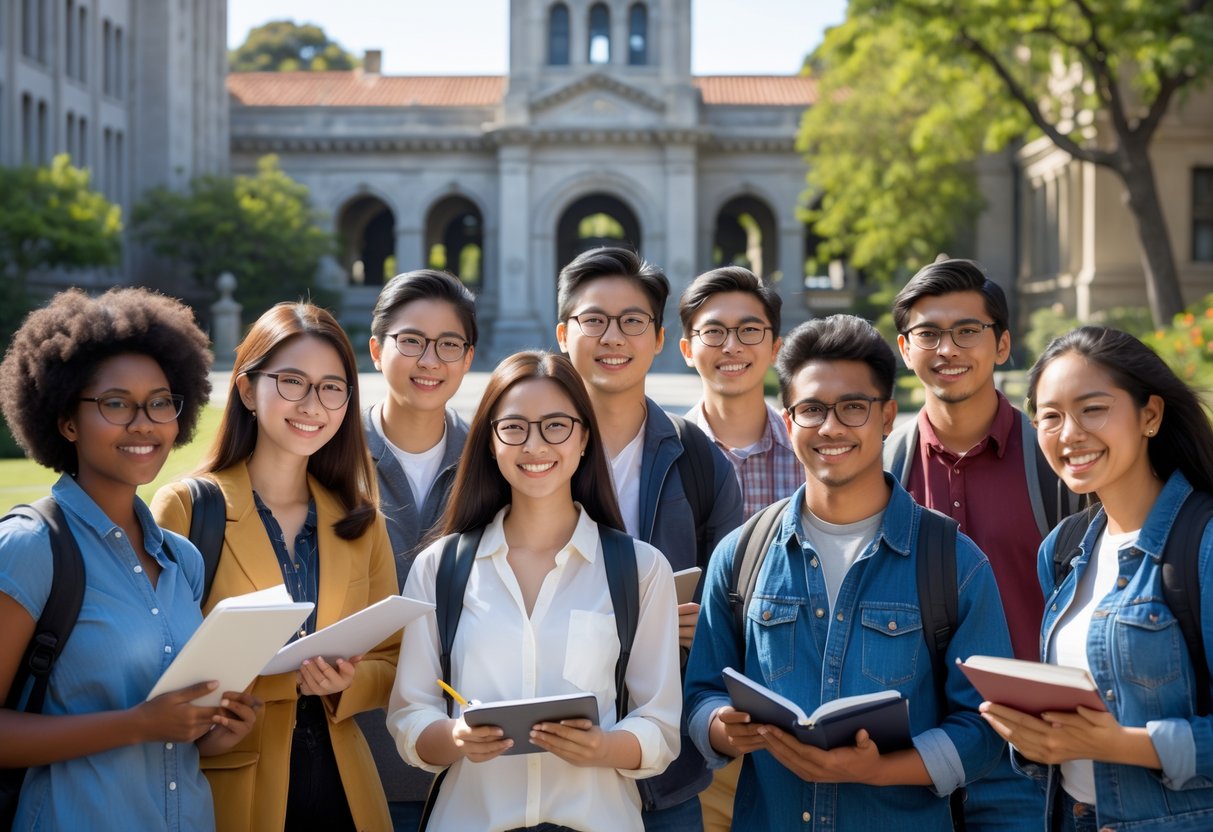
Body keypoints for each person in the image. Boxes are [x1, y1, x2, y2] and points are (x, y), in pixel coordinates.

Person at [685, 315, 1011, 831]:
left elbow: (985, 726)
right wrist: (722, 727)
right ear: (788, 422)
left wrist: (881, 770)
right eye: (811, 409)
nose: (830, 427)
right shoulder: (742, 552)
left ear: (886, 417)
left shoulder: (953, 561)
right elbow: (701, 692)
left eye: (853, 408)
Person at [388, 351, 681, 831]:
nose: (535, 445)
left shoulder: (640, 569)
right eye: (515, 428)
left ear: (584, 437)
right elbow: (409, 716)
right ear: (490, 443)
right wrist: (456, 737)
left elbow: (661, 727)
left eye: (556, 426)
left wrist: (604, 747)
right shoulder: (440, 567)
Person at [0, 288, 259, 831]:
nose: (144, 423)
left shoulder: (182, 558)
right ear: (67, 421)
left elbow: (173, 739)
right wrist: (136, 724)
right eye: (116, 403)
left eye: (161, 402)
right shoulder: (31, 547)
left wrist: (218, 730)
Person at [152, 302, 399, 832]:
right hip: (230, 785)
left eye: (332, 387)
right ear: (246, 389)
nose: (314, 404)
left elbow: (392, 661)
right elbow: (152, 663)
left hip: (346, 791)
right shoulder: (187, 509)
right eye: (292, 381)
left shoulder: (360, 521)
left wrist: (346, 682)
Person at [981, 326, 1213, 832]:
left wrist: (1116, 744)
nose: (1069, 434)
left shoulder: (1205, 541)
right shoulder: (1064, 550)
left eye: (1093, 409)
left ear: (1149, 415)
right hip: (1072, 816)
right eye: (1050, 417)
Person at [556, 246, 743, 830]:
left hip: (664, 771)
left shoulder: (698, 460)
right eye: (594, 321)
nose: (613, 337)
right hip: (545, 753)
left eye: (632, 321)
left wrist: (701, 622)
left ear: (659, 338)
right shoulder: (524, 450)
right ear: (564, 334)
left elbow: (738, 605)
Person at [886, 258, 1074, 828]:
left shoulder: (1059, 463)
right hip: (910, 754)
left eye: (968, 330)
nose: (948, 348)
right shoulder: (880, 469)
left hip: (1029, 755)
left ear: (1002, 344)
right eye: (929, 334)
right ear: (904, 348)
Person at [678, 267, 800, 830]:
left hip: (805, 716)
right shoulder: (662, 460)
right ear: (685, 348)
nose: (732, 347)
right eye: (713, 332)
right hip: (696, 724)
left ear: (775, 346)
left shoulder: (819, 452)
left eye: (750, 331)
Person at [360, 269, 477, 830]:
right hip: (351, 756)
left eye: (448, 344)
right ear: (378, 348)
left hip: (472, 765)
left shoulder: (496, 459)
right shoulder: (325, 456)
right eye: (412, 341)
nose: (430, 360)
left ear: (468, 357)